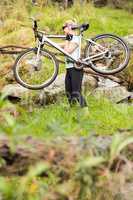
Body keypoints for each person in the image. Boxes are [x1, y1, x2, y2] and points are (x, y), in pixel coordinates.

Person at [60, 20, 87, 108]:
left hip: (76, 68)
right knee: (68, 91)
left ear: (70, 27)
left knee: (76, 92)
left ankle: (85, 111)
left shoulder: (76, 38)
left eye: (64, 27)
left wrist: (67, 40)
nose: (63, 30)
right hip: (69, 68)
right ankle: (73, 109)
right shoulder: (70, 39)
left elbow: (67, 51)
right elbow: (59, 45)